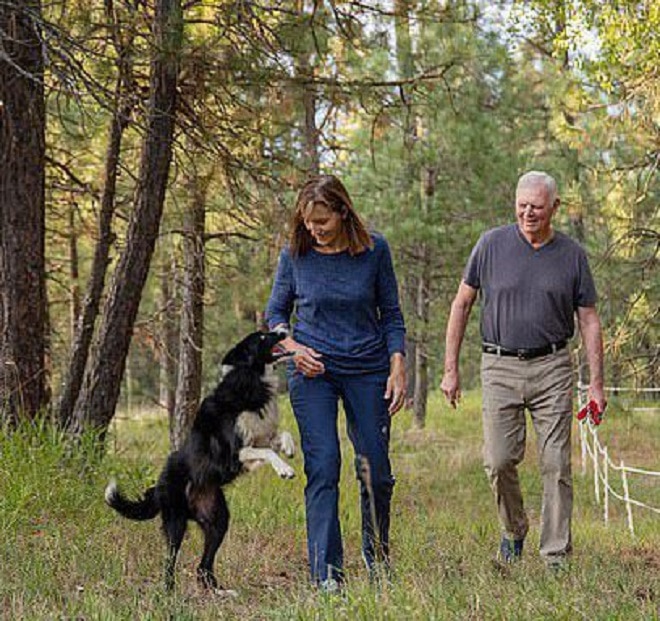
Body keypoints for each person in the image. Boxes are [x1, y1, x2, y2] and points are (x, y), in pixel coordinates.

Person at [440, 170, 606, 568]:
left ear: (555, 207)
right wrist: (450, 369)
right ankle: (514, 530)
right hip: (499, 366)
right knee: (498, 460)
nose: (528, 214)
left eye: (537, 207)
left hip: (552, 366)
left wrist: (597, 385)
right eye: (522, 206)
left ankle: (555, 555)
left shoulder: (571, 255)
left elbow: (589, 320)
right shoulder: (490, 245)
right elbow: (461, 304)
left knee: (556, 463)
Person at [266, 174, 406, 591]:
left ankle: (376, 556)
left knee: (374, 470)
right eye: (309, 223)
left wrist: (398, 367)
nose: (315, 230)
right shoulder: (295, 255)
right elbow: (274, 315)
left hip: (368, 368)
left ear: (344, 212)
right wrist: (292, 349)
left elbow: (392, 315)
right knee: (324, 464)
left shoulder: (374, 250)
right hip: (313, 372)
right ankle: (327, 573)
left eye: (322, 222)